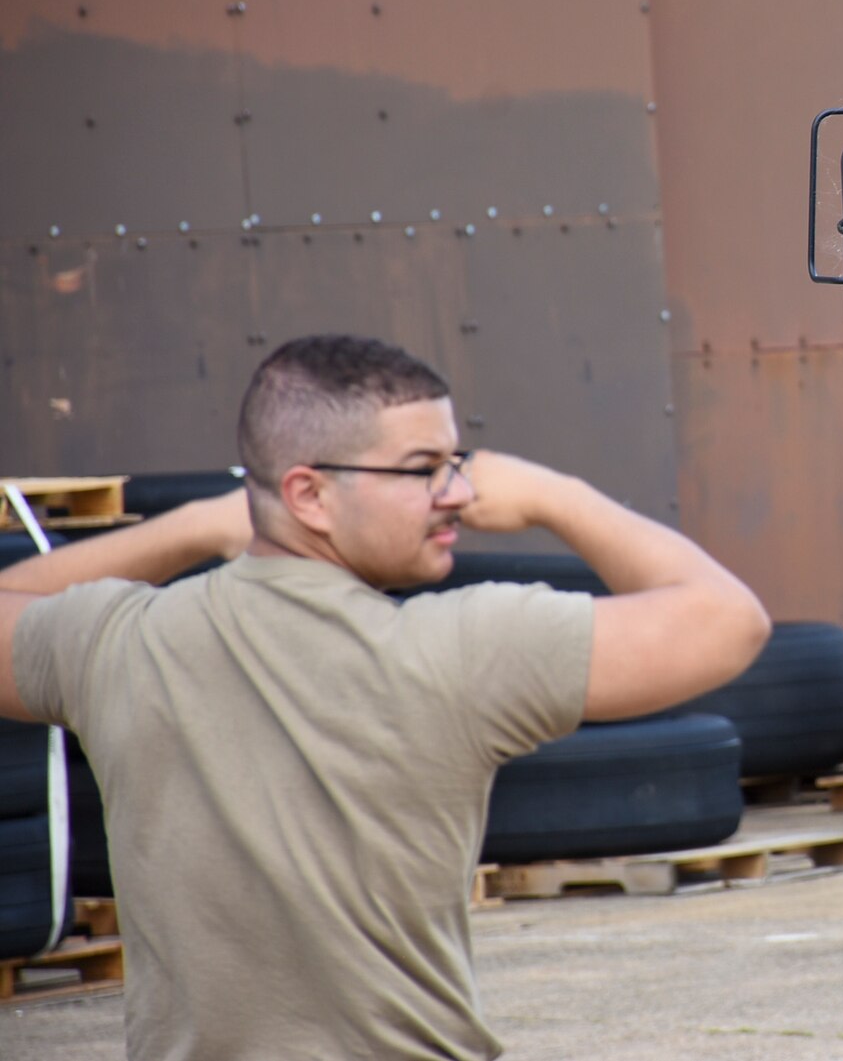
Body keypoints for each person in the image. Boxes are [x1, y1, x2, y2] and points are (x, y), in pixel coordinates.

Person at [0, 334, 770, 1060]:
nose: (459, 493)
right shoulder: (461, 648)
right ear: (309, 494)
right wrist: (552, 496)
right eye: (425, 468)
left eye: (456, 463)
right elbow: (729, 620)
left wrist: (199, 526)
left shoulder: (118, 643)